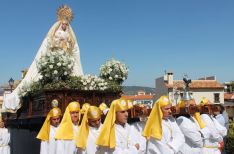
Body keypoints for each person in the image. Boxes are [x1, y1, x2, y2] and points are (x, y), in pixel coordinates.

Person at [2, 5, 83, 112]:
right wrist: (57, 43)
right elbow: (50, 43)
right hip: (55, 56)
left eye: (66, 24)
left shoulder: (70, 35)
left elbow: (73, 47)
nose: (64, 26)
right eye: (63, 24)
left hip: (65, 57)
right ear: (60, 24)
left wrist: (68, 45)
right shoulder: (56, 33)